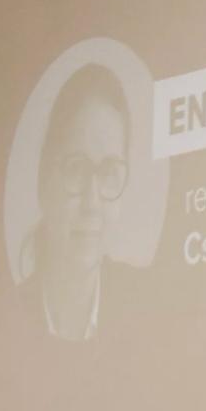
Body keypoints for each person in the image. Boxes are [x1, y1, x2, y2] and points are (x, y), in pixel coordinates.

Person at [19, 64, 132, 341]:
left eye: (108, 172)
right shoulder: (1, 320)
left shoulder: (150, 309)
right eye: (77, 169)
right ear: (44, 180)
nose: (91, 203)